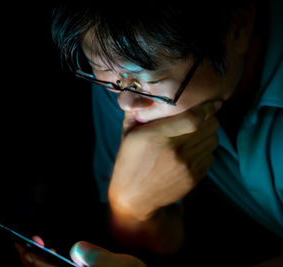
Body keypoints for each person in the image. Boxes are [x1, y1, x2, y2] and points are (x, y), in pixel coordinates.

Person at [16, 1, 283, 266]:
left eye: (147, 81)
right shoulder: (122, 79)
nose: (125, 104)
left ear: (237, 27)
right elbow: (153, 247)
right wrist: (130, 211)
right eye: (111, 80)